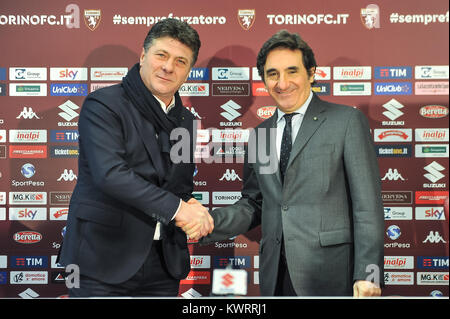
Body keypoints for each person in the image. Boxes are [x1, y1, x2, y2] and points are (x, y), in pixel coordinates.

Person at [181, 30, 384, 297]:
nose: (282, 83)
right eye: (273, 74)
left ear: (311, 73)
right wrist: (207, 222)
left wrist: (368, 274)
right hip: (275, 275)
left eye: (292, 71)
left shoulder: (346, 122)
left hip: (332, 275)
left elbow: (367, 207)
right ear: (264, 79)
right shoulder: (260, 134)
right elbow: (254, 203)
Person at [58, 18, 213, 297]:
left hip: (163, 263)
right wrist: (180, 210)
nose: (168, 67)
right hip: (102, 260)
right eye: (161, 55)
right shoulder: (104, 105)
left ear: (189, 70)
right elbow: (111, 175)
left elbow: (179, 187)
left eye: (180, 61)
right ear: (143, 56)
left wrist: (193, 208)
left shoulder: (187, 122)